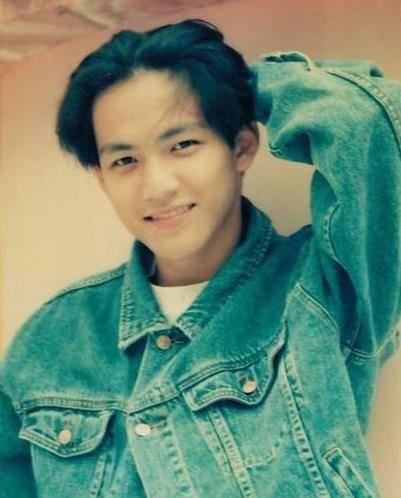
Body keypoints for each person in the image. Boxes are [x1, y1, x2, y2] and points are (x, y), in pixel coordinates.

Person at [0, 18, 400, 498]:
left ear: (241, 146)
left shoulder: (325, 289)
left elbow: (368, 126)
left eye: (183, 144)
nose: (157, 186)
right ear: (102, 177)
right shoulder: (53, 338)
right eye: (125, 160)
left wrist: (233, 85)